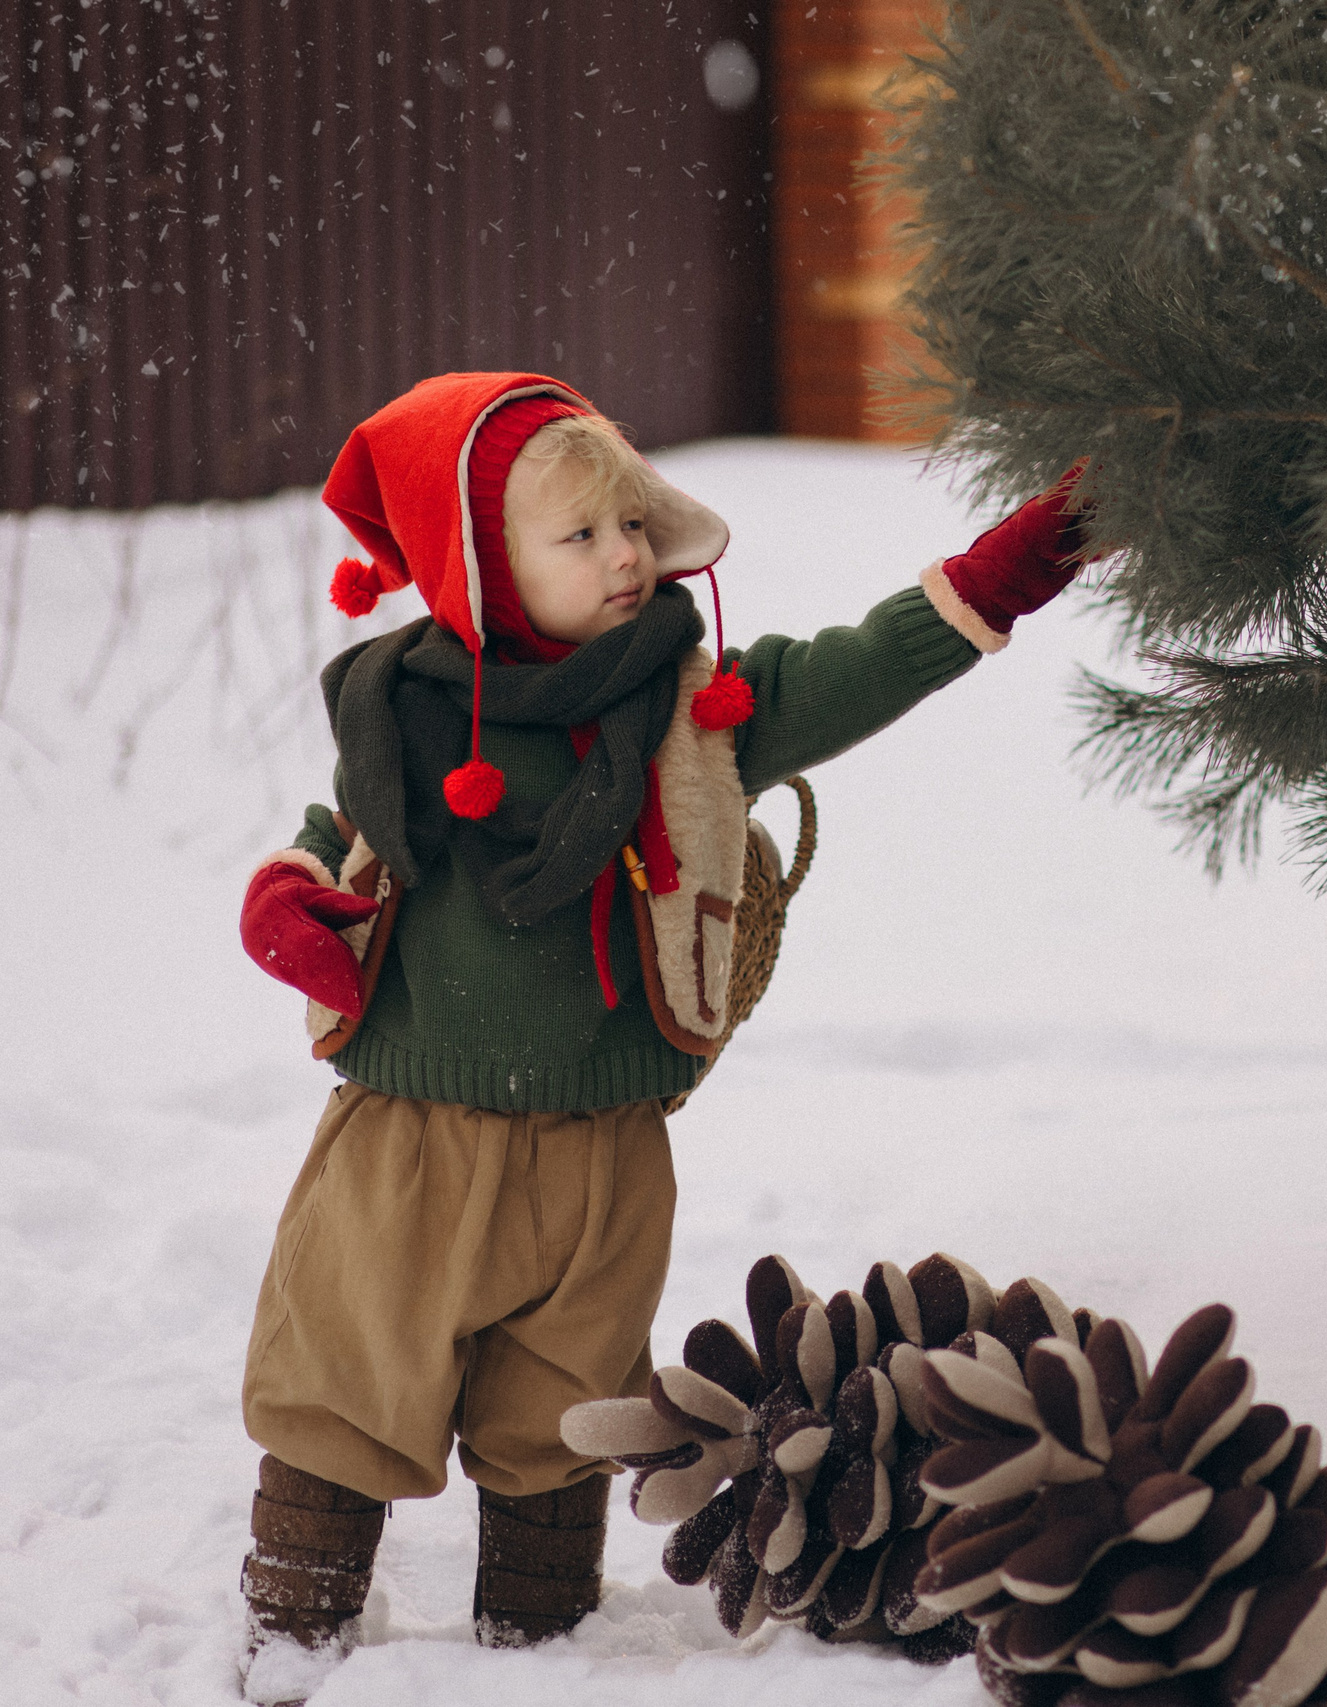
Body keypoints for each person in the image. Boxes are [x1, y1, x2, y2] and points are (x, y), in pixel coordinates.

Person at [230, 371, 1084, 1698]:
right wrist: (293, 891)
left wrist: (1007, 569)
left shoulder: (697, 711)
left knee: (565, 1408)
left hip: (602, 1151)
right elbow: (346, 846)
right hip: (410, 1141)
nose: (628, 555)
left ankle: (540, 1641)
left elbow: (851, 670)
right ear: (481, 569)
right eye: (582, 537)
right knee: (345, 1376)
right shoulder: (396, 717)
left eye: (632, 522)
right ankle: (292, 1631)